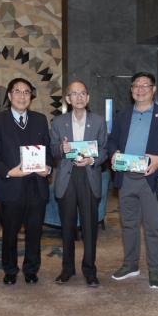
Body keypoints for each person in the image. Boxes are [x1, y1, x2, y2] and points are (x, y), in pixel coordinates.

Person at [107, 72, 158, 288]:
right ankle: (131, 264)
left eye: (145, 85)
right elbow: (112, 141)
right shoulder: (123, 115)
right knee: (128, 224)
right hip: (126, 177)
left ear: (153, 89)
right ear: (131, 90)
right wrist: (113, 153)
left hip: (151, 177)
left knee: (153, 226)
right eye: (136, 86)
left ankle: (155, 268)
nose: (140, 90)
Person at [0, 78, 52, 285]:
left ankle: (31, 269)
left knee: (35, 232)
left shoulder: (40, 119)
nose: (22, 96)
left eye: (26, 92)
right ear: (9, 95)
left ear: (31, 96)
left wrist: (48, 168)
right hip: (10, 187)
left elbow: (48, 150)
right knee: (10, 233)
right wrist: (8, 172)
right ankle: (10, 270)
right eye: (17, 91)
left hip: (37, 187)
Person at [50, 80, 108, 287]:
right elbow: (53, 149)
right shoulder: (58, 122)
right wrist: (62, 149)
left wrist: (92, 159)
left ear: (88, 97)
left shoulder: (99, 121)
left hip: (89, 176)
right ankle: (67, 269)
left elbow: (104, 150)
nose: (79, 97)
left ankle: (90, 270)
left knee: (90, 227)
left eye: (82, 93)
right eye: (74, 94)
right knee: (67, 227)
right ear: (68, 99)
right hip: (67, 177)